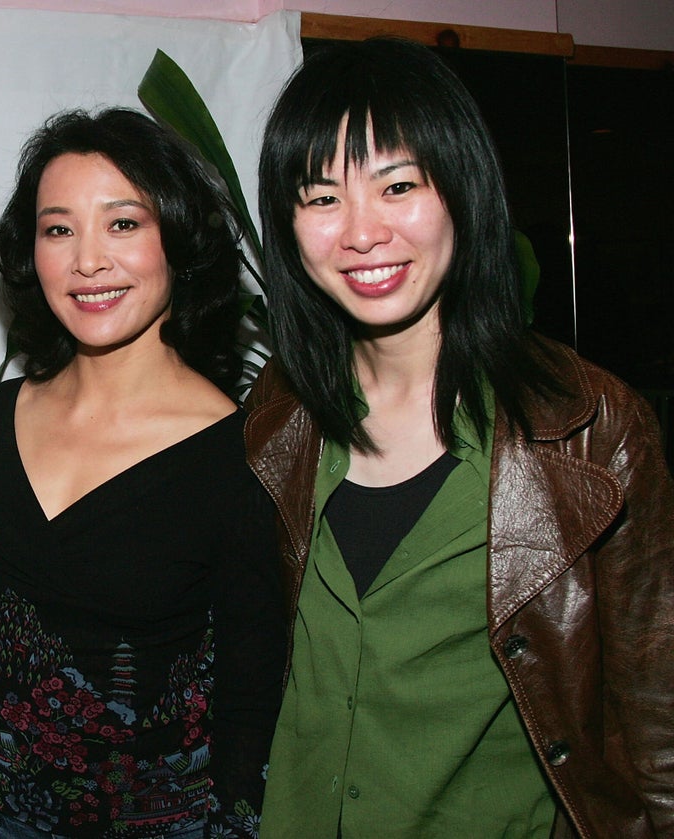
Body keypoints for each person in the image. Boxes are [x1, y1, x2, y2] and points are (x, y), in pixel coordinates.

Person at [246, 37, 674, 838]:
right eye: (321, 197)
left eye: (398, 184)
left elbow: (659, 721)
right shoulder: (280, 413)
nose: (362, 232)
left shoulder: (591, 429)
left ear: (462, 191)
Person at [0, 108, 286, 839]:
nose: (88, 261)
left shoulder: (239, 460)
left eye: (123, 223)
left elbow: (251, 721)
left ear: (179, 237)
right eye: (58, 228)